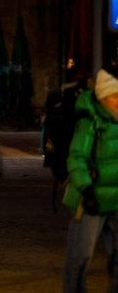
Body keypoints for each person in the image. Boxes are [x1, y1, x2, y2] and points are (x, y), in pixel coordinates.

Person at [62, 67, 118, 292]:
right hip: (91, 198)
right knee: (81, 254)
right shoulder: (89, 122)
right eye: (115, 97)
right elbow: (76, 158)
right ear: (104, 97)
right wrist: (86, 190)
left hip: (116, 197)